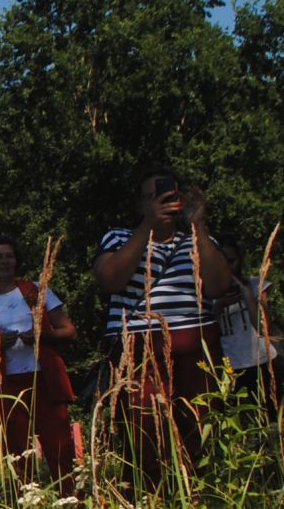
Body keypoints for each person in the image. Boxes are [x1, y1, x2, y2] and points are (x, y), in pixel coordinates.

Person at [91, 166, 233, 487]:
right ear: (141, 205)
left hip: (195, 345)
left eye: (169, 195)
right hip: (138, 348)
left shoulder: (199, 240)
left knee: (199, 428)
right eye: (152, 197)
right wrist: (147, 228)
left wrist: (198, 224)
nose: (162, 202)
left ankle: (199, 498)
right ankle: (150, 506)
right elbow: (110, 278)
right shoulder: (119, 237)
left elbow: (218, 285)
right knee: (145, 434)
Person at [0, 236, 78, 489]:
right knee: (17, 450)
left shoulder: (36, 290)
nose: (5, 261)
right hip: (6, 386)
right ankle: (32, 506)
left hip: (44, 378)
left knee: (59, 446)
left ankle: (73, 503)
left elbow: (69, 331)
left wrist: (43, 336)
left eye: (10, 256)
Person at [213, 237, 281, 403]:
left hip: (262, 360)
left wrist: (247, 294)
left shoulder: (255, 285)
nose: (228, 267)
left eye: (232, 261)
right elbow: (207, 332)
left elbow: (263, 327)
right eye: (221, 262)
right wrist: (219, 306)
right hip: (229, 365)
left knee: (270, 413)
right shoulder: (207, 292)